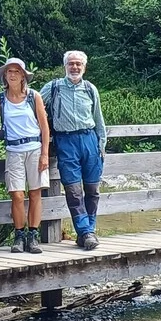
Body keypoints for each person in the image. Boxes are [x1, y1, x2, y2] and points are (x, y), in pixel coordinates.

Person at [41, 50, 107, 251]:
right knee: (73, 190)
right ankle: (86, 232)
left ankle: (88, 231)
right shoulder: (53, 88)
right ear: (65, 66)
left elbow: (98, 118)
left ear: (84, 67)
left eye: (78, 64)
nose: (75, 67)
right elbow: (34, 106)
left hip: (89, 139)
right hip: (65, 140)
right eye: (71, 64)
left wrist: (101, 144)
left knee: (92, 189)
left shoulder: (89, 88)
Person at [0, 57, 50, 254]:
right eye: (9, 71)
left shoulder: (34, 97)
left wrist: (45, 154)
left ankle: (33, 235)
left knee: (35, 192)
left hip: (34, 148)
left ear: (23, 75)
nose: (13, 74)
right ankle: (19, 234)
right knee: (16, 194)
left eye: (16, 71)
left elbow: (44, 127)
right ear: (4, 75)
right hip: (13, 150)